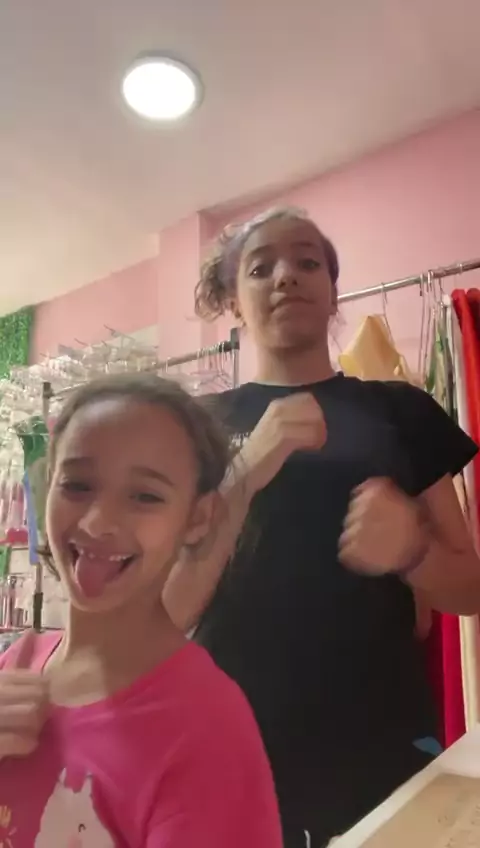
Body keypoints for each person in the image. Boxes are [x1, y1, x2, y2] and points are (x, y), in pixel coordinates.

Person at [163, 207, 480, 847]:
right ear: (232, 300)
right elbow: (164, 610)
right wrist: (245, 472)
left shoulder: (401, 410)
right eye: (261, 268)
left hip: (383, 742)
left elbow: (471, 588)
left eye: (308, 262)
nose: (287, 276)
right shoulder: (192, 429)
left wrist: (415, 550)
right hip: (229, 744)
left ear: (334, 291)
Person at [0, 374, 282, 848]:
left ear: (198, 518)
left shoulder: (205, 727)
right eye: (77, 485)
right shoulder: (16, 668)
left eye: (145, 496)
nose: (98, 523)